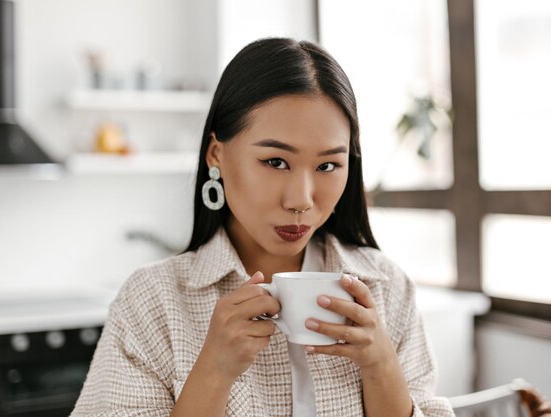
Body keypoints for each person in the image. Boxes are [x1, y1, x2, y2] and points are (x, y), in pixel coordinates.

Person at [71, 38, 455, 417]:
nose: (301, 199)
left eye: (327, 166)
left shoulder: (386, 287)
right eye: (275, 162)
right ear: (216, 154)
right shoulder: (152, 301)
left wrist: (381, 367)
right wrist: (213, 371)